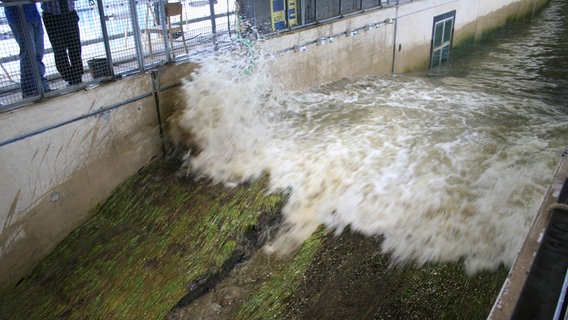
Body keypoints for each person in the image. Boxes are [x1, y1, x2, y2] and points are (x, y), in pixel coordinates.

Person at [2, 0, 51, 98]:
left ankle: (42, 86)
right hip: (18, 18)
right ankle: (29, 89)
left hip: (34, 16)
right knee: (28, 54)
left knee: (38, 53)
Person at [41, 0, 83, 86]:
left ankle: (77, 77)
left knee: (75, 47)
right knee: (59, 49)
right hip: (52, 16)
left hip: (70, 14)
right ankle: (69, 77)